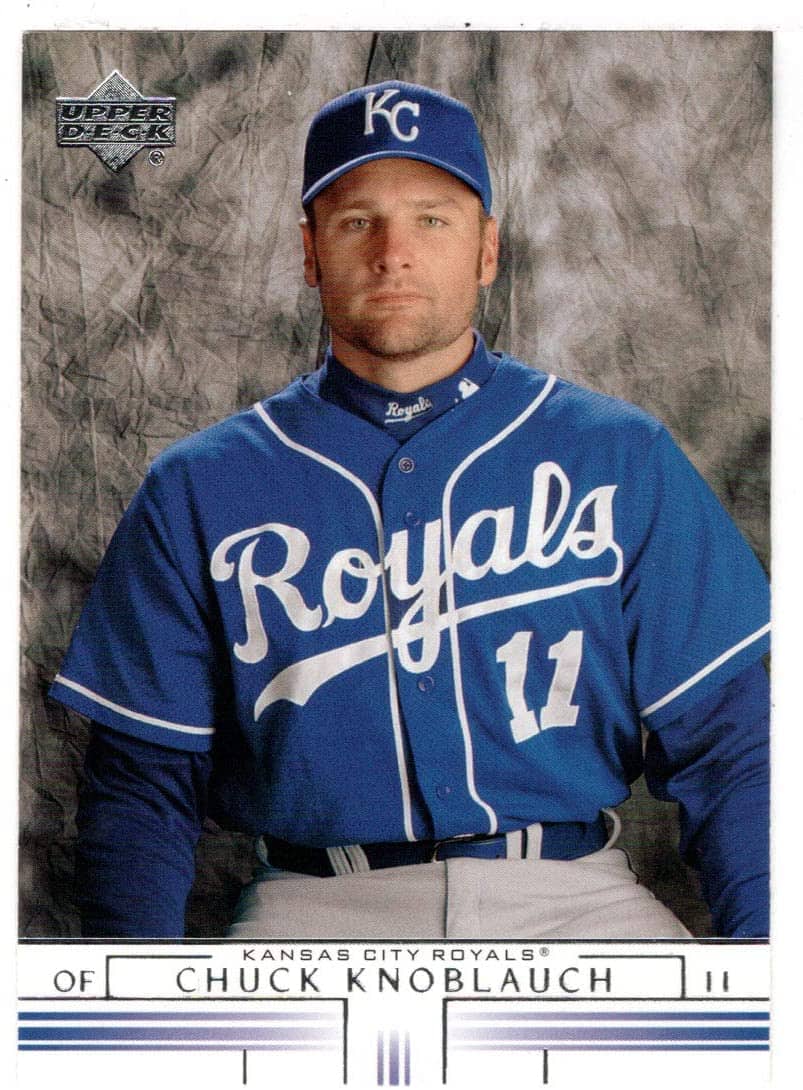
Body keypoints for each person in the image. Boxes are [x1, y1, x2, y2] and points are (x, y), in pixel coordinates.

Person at [49, 81, 770, 941]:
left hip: (577, 901)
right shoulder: (200, 485)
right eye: (357, 220)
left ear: (486, 249)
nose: (394, 251)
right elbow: (142, 785)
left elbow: (735, 753)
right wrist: (139, 1015)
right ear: (311, 253)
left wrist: (772, 976)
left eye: (432, 219)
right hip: (313, 909)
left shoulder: (619, 455)